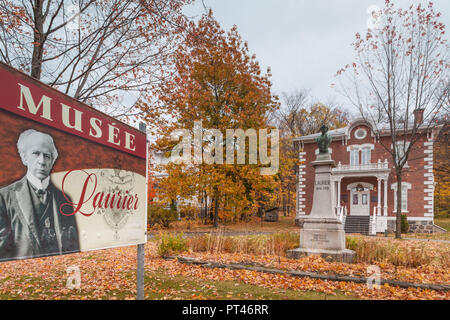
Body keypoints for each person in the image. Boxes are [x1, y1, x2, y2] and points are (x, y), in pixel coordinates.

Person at [0, 129, 79, 261]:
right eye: (36, 154)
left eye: (47, 156)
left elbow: (73, 247)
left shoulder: (65, 200)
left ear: (52, 161)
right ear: (24, 158)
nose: (42, 161)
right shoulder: (4, 197)